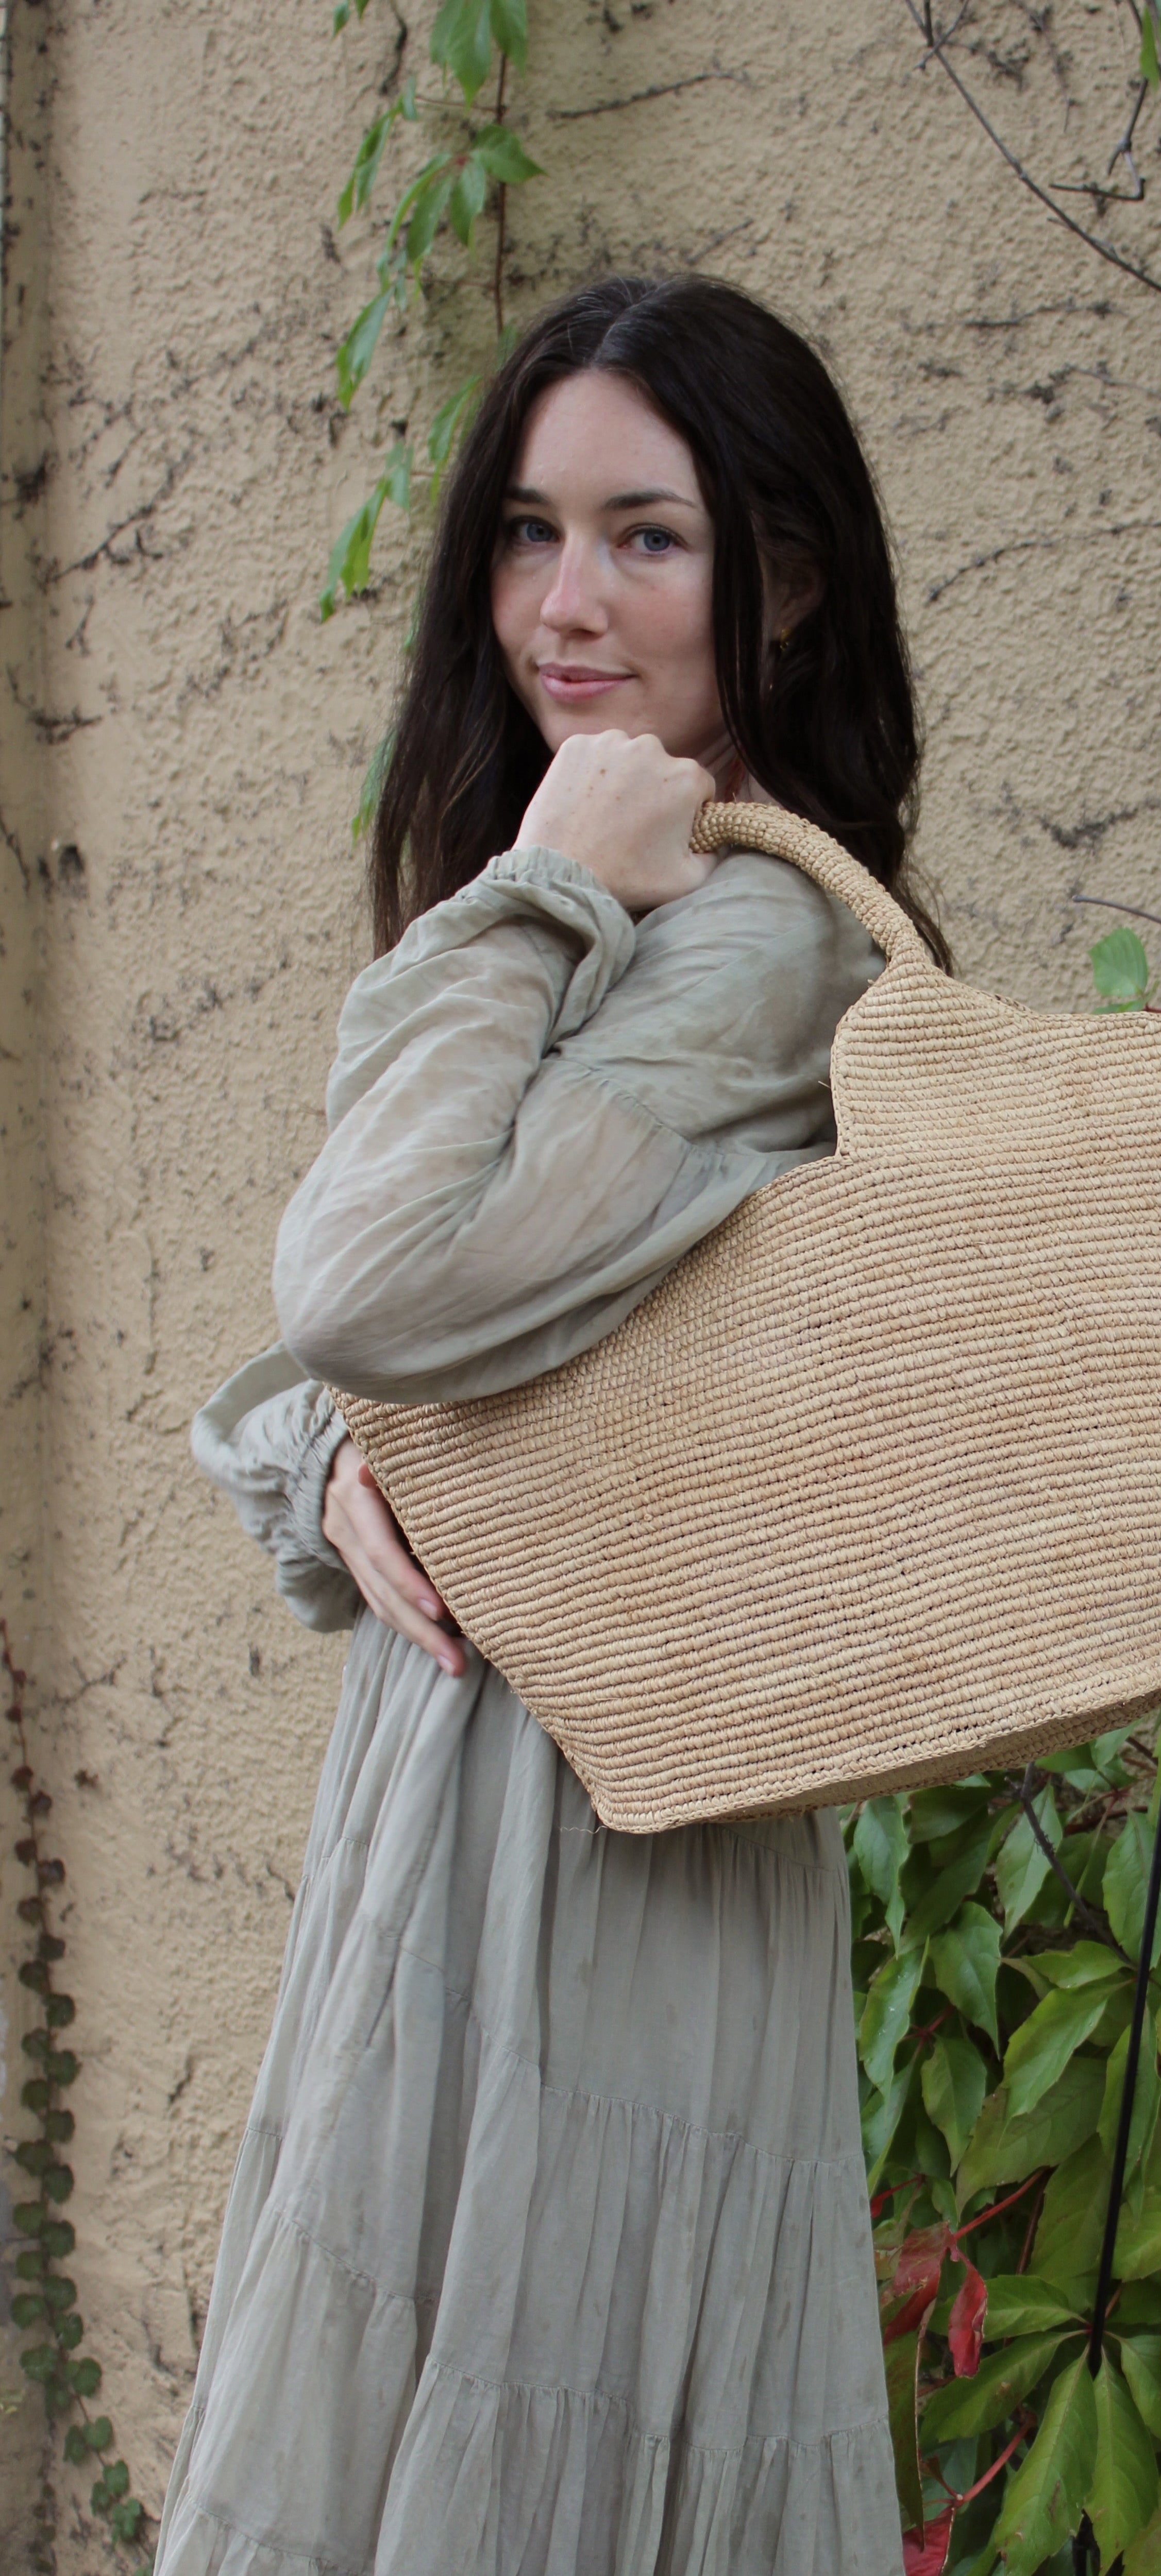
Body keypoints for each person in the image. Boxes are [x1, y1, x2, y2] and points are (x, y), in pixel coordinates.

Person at [162, 272, 945, 2576]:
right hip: (475, 1791)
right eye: (527, 531)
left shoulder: (752, 950)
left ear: (781, 586)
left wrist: (536, 891)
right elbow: (396, 1365)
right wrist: (336, 1454)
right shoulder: (637, 920)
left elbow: (363, 1280)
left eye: (644, 538)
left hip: (601, 1847)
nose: (562, 606)